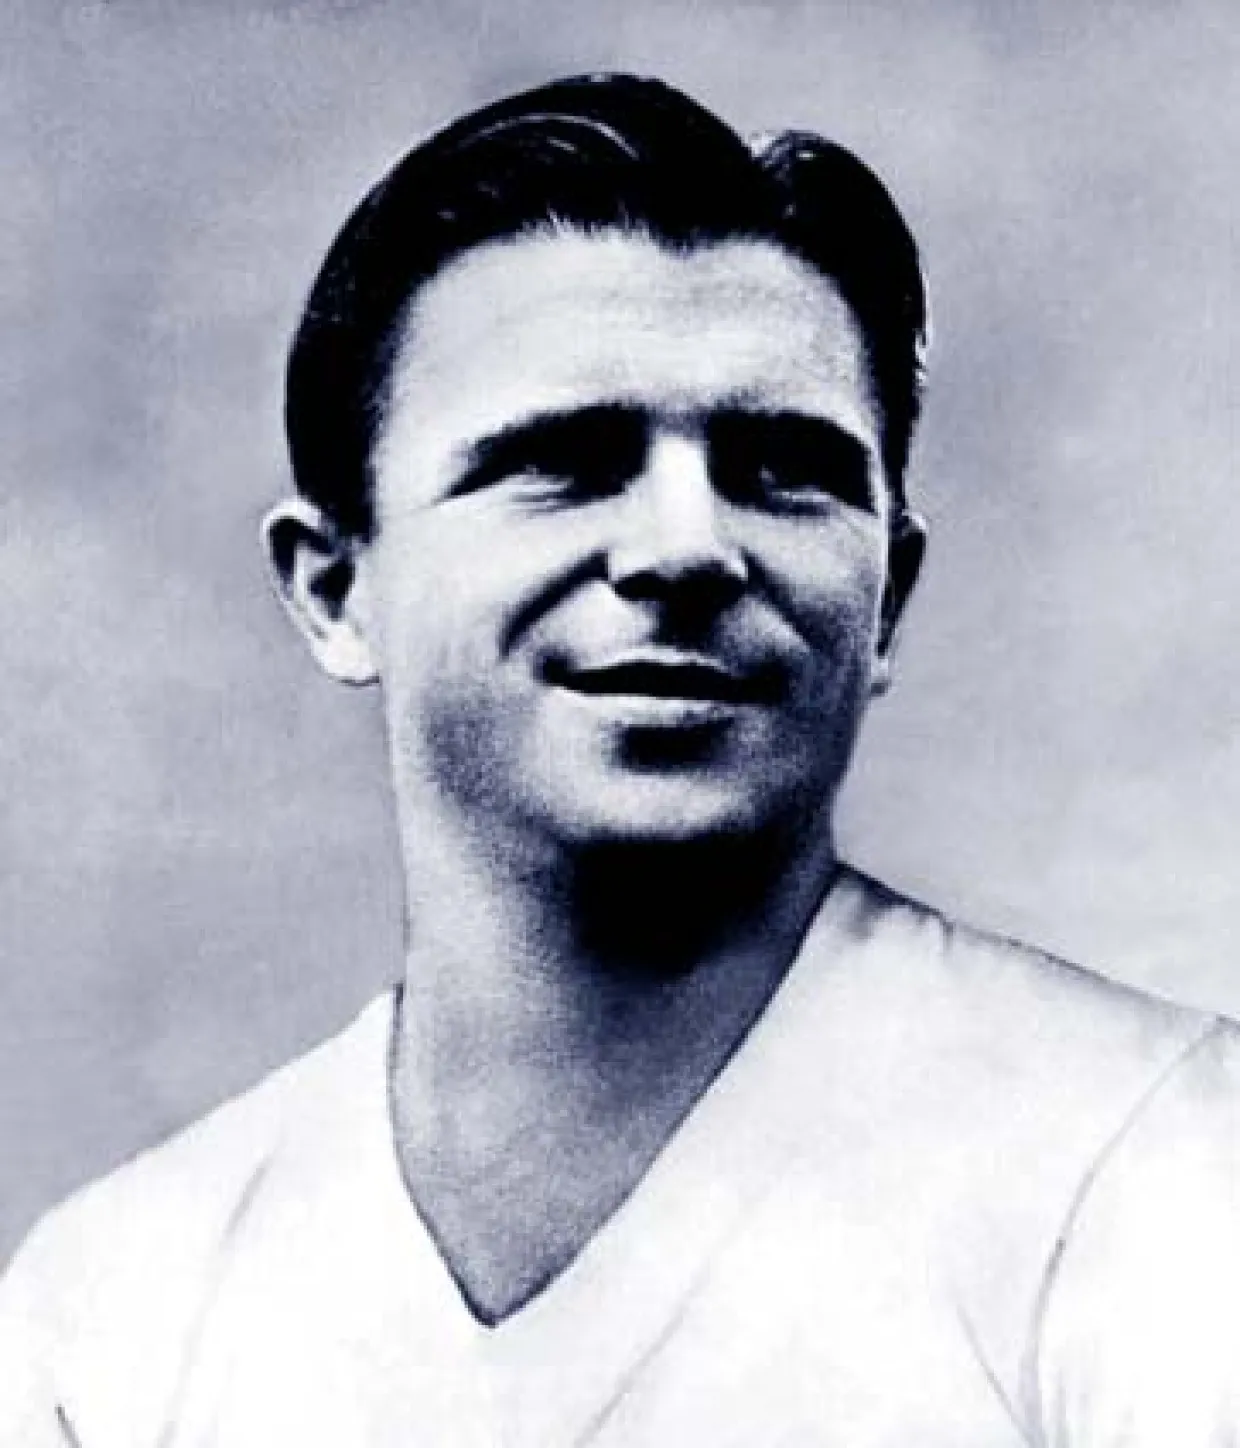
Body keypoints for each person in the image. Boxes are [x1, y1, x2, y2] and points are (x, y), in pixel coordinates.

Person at [1, 72, 1237, 1447]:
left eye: (784, 470)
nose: (686, 549)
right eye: (565, 462)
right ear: (336, 588)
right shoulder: (112, 1309)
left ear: (888, 596)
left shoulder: (1163, 1171)